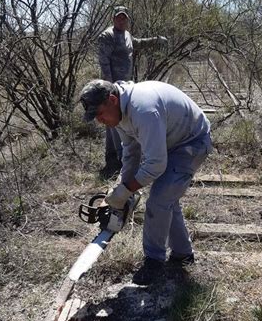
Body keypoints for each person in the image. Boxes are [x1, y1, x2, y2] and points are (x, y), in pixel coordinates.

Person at [79, 78, 212, 283]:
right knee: (166, 198)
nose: (99, 121)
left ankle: (154, 262)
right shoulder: (119, 113)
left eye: (99, 114)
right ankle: (183, 254)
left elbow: (156, 164)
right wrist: (122, 189)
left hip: (191, 142)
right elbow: (131, 153)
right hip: (171, 140)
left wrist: (126, 191)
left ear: (112, 99)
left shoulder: (143, 110)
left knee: (159, 199)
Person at [98, 6, 167, 175]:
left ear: (127, 19)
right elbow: (104, 62)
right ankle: (116, 159)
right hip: (113, 87)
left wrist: (156, 40)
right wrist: (109, 88)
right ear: (113, 19)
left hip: (125, 86)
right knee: (114, 122)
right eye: (118, 18)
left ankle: (117, 158)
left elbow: (137, 44)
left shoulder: (127, 35)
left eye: (124, 18)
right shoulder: (107, 36)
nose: (121, 20)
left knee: (117, 123)